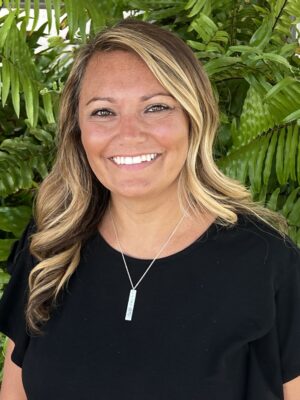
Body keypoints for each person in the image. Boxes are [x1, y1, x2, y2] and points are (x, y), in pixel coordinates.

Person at [0, 18, 299, 400]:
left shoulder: (269, 262)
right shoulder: (50, 245)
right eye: (103, 112)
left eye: (156, 107)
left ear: (195, 118)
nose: (129, 134)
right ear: (78, 129)